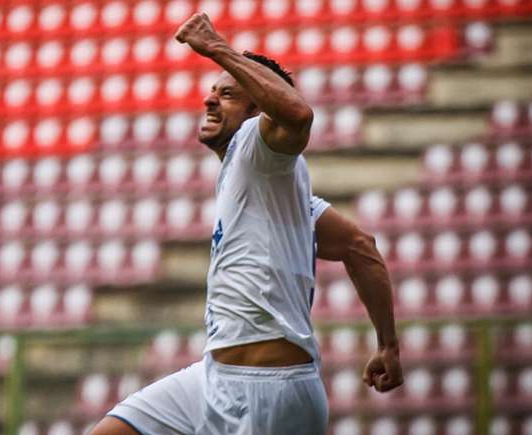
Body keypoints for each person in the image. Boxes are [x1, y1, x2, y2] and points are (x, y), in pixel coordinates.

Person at [90, 13, 402, 435]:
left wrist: (217, 47)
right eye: (212, 90)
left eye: (228, 94)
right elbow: (359, 246)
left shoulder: (256, 145)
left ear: (258, 112)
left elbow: (297, 114)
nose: (209, 100)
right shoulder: (280, 193)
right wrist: (387, 345)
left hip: (266, 392)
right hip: (215, 375)